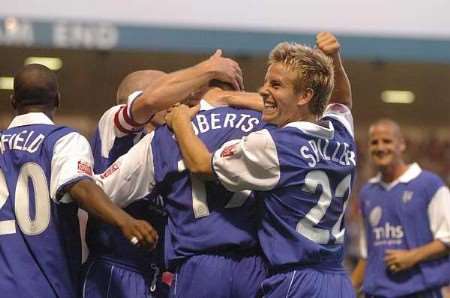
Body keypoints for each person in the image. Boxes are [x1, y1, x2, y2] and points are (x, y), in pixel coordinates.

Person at [166, 32, 356, 297]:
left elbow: (201, 165)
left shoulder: (273, 145)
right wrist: (335, 58)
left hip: (294, 281)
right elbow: (342, 102)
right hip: (338, 281)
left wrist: (180, 122)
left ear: (304, 96)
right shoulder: (342, 134)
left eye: (276, 85)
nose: (263, 90)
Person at [83, 51, 246, 298]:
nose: (179, 100)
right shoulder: (115, 125)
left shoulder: (173, 140)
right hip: (115, 271)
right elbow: (150, 101)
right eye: (174, 91)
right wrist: (209, 68)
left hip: (157, 276)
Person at [0, 64, 157, 298]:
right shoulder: (63, 141)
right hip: (48, 284)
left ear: (13, 101)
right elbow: (80, 186)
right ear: (58, 99)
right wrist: (125, 221)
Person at [351, 119, 450, 298]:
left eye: (387, 141)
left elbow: (447, 239)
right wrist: (347, 289)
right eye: (374, 142)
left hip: (421, 292)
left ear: (402, 144)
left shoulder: (430, 185)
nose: (380, 147)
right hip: (377, 293)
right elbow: (367, 254)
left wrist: (411, 256)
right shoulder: (367, 192)